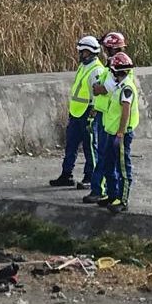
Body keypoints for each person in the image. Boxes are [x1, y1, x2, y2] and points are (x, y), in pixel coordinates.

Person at [50, 36, 104, 189]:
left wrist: (92, 114)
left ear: (89, 52)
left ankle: (90, 177)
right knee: (71, 145)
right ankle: (66, 175)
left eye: (82, 51)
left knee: (90, 147)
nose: (80, 54)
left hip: (88, 113)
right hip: (76, 113)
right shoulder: (83, 67)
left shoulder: (96, 70)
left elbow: (98, 96)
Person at [83, 32, 128, 204]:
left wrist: (98, 88)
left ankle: (101, 191)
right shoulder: (114, 63)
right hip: (106, 115)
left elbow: (105, 88)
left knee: (107, 157)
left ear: (110, 48)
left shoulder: (119, 66)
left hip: (111, 119)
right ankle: (110, 193)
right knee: (107, 158)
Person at [100, 52, 139, 214]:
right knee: (109, 164)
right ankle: (112, 194)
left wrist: (121, 133)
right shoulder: (119, 86)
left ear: (116, 71)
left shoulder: (126, 88)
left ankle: (123, 200)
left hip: (120, 134)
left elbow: (125, 112)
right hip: (111, 132)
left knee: (123, 168)